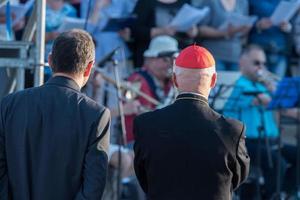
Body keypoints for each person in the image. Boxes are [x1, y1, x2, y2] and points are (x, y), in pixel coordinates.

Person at [0, 29, 111, 200]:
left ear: (50, 60)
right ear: (89, 67)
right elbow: (93, 188)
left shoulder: (9, 104)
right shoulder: (96, 115)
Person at [133, 45, 250, 199]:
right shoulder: (232, 130)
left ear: (174, 80)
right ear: (213, 80)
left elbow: (144, 178)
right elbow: (237, 178)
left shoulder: (145, 124)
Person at [223, 44, 298, 198]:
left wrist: (275, 93)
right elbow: (256, 101)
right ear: (242, 63)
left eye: (264, 64)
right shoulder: (235, 84)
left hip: (269, 140)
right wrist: (268, 97)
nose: (261, 68)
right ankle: (270, 195)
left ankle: (283, 192)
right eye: (256, 63)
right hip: (245, 142)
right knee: (279, 164)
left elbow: (281, 109)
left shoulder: (264, 85)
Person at [125, 35, 179, 146]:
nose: (171, 65)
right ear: (150, 59)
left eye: (174, 60)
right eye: (166, 59)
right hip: (138, 143)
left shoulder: (169, 82)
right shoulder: (137, 80)